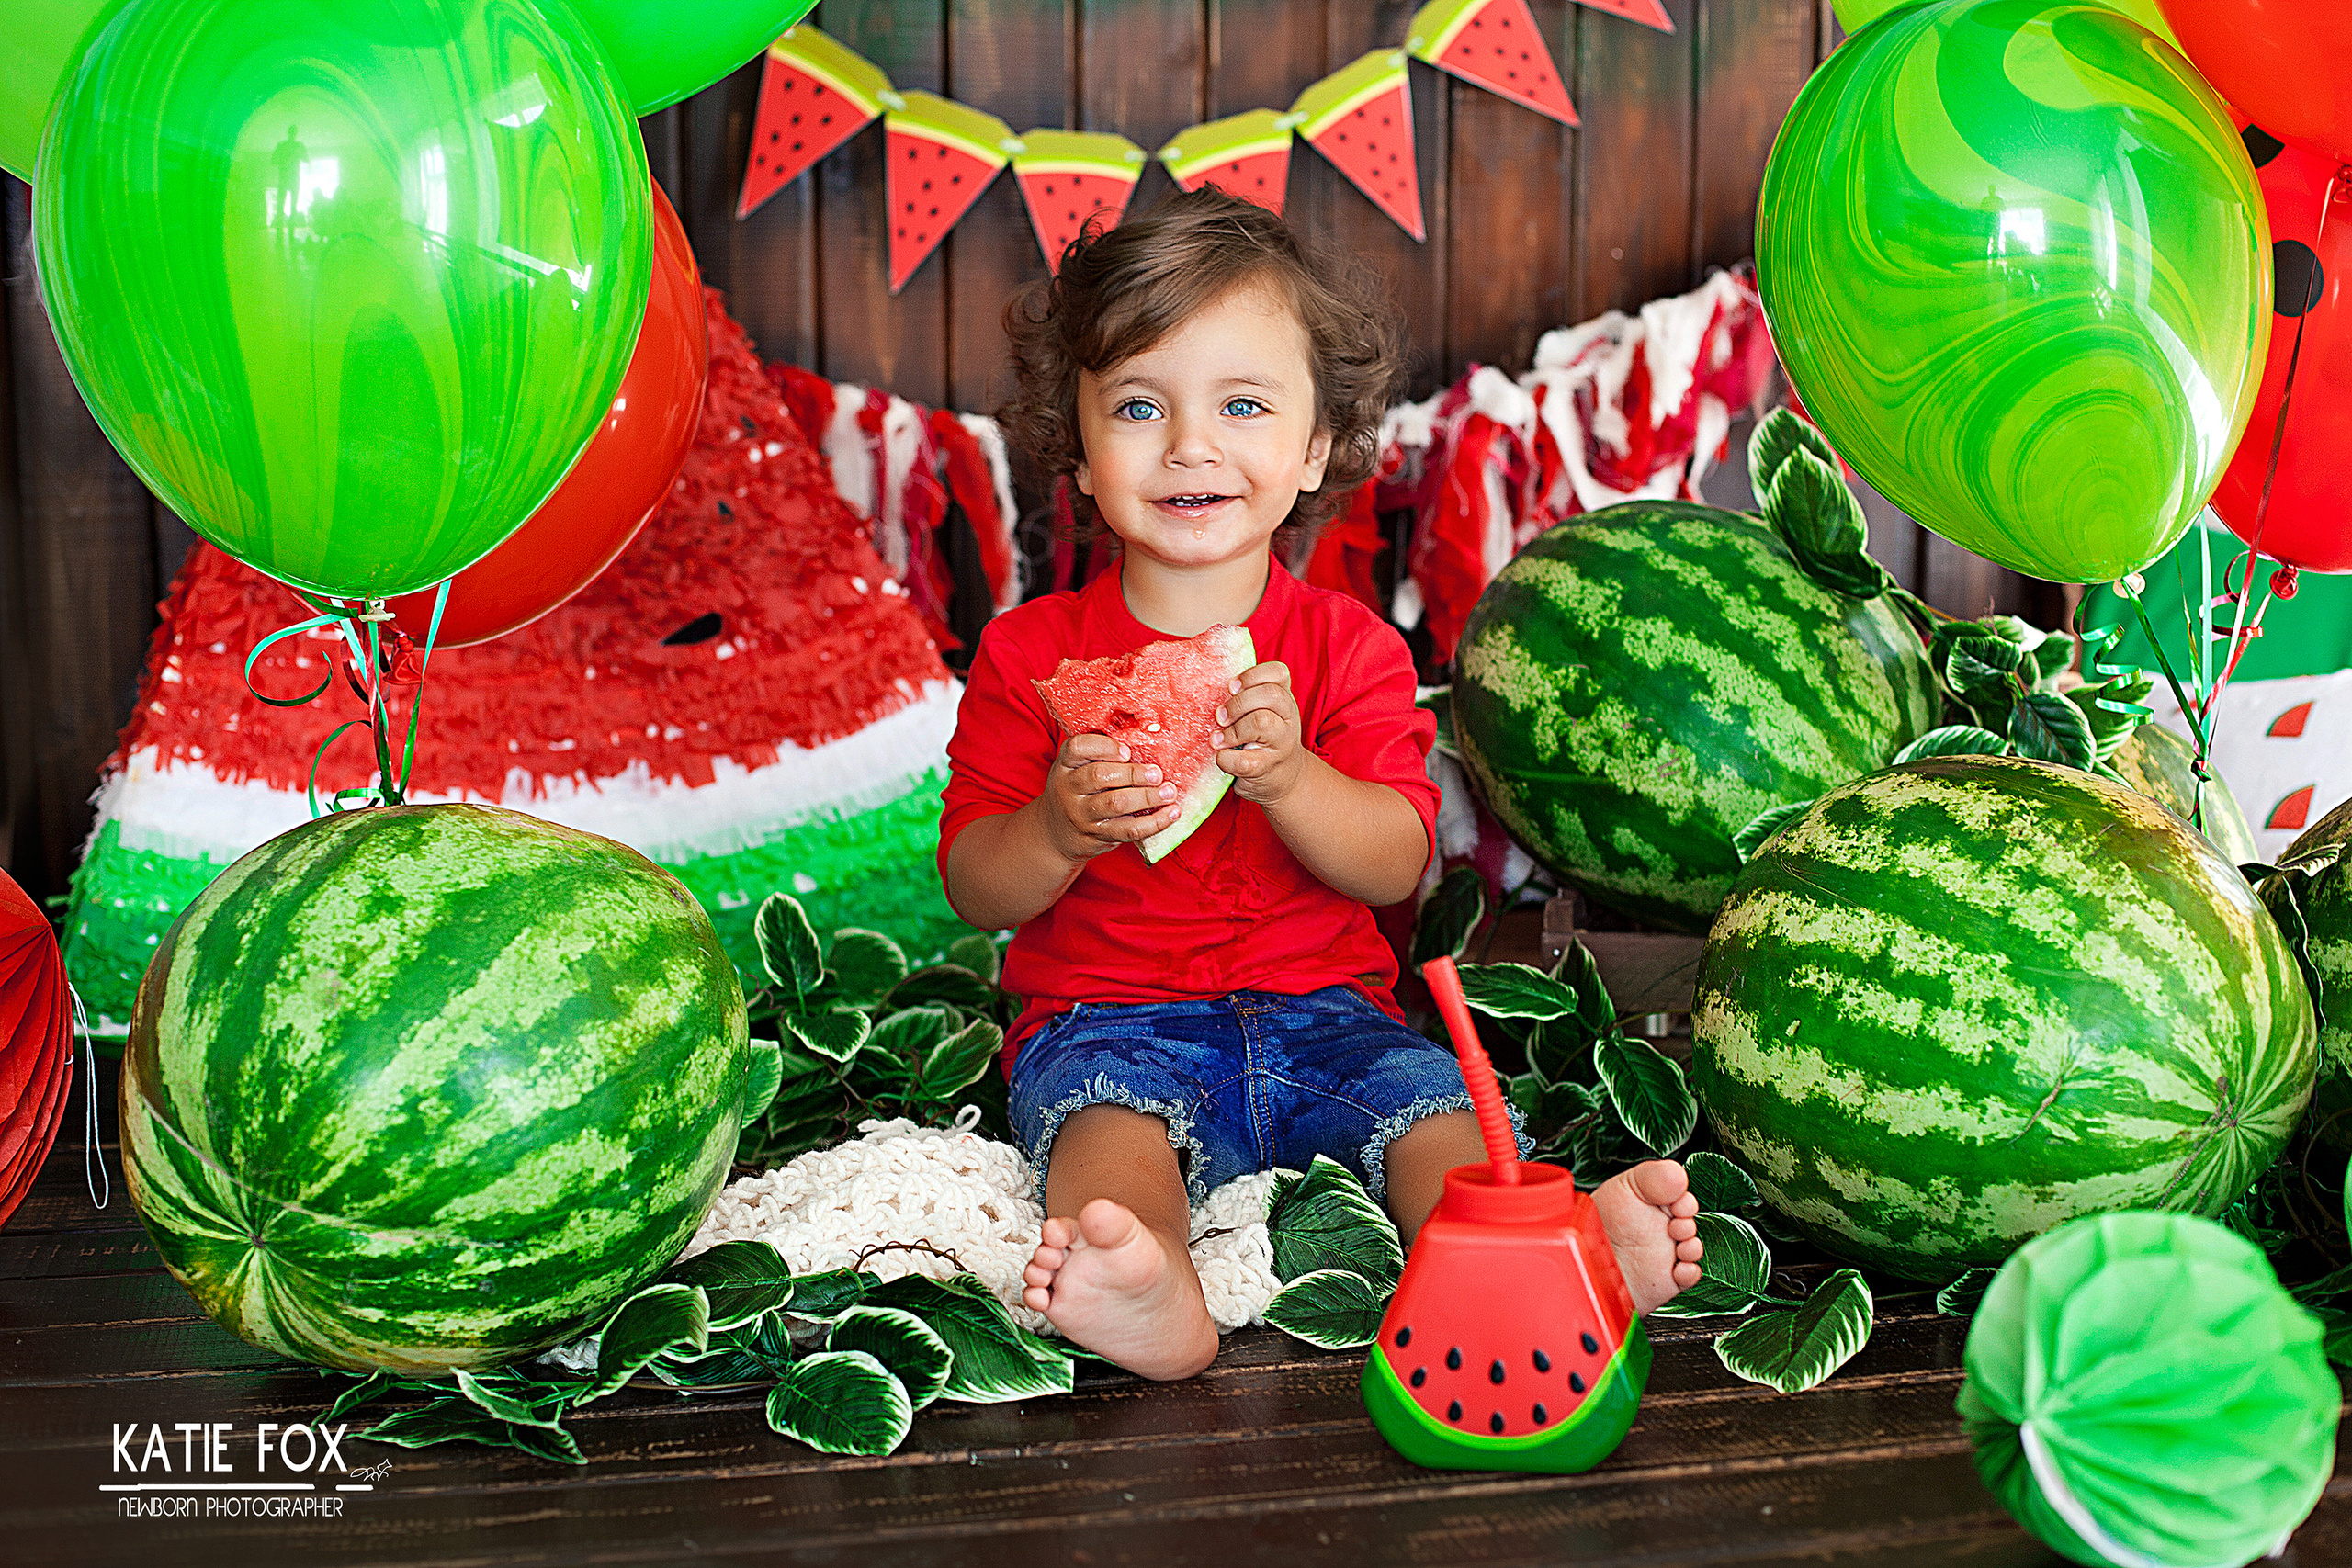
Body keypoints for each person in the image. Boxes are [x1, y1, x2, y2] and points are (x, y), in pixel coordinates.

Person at [940, 188, 1701, 1380]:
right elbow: (978, 886)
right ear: (1080, 456)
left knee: (1433, 1122)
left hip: (1332, 1019)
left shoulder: (1350, 649)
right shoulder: (1030, 656)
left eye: (1242, 406)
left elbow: (1396, 860)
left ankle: (1545, 1251)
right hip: (1108, 1022)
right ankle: (1150, 1286)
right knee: (1103, 1141)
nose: (1191, 444)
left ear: (1312, 451)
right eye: (1139, 407)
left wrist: (1293, 778)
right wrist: (1055, 825)